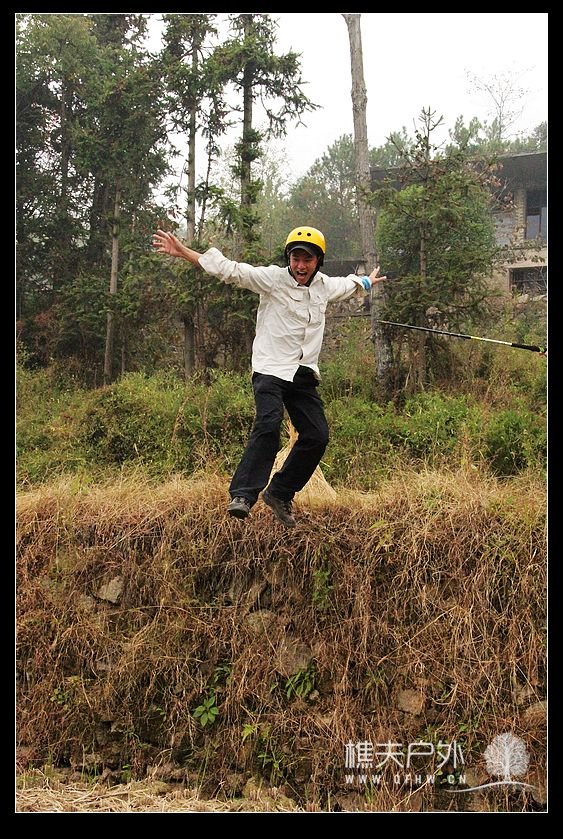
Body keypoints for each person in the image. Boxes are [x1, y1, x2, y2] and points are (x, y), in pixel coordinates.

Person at [153, 225, 386, 527]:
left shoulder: (324, 286)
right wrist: (184, 252)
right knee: (269, 423)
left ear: (318, 261)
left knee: (317, 435)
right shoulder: (272, 279)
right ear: (289, 258)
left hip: (302, 373)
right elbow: (231, 270)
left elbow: (348, 285)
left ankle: (279, 492)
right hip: (271, 369)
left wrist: (367, 281)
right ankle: (242, 495)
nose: (300, 266)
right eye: (296, 258)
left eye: (307, 260)